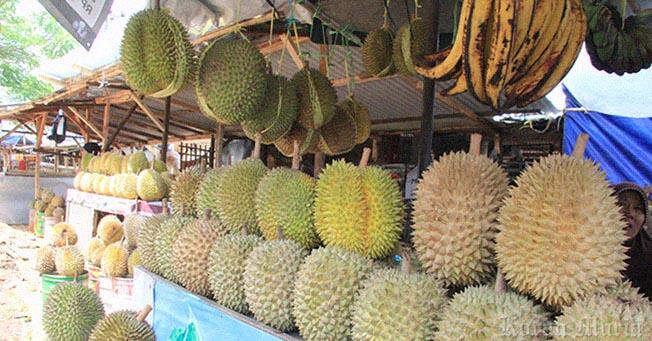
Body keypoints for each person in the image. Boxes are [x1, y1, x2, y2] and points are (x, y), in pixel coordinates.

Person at [613, 182, 651, 299]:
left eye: (638, 208)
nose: (630, 213)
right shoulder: (583, 247)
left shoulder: (649, 255)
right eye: (622, 204)